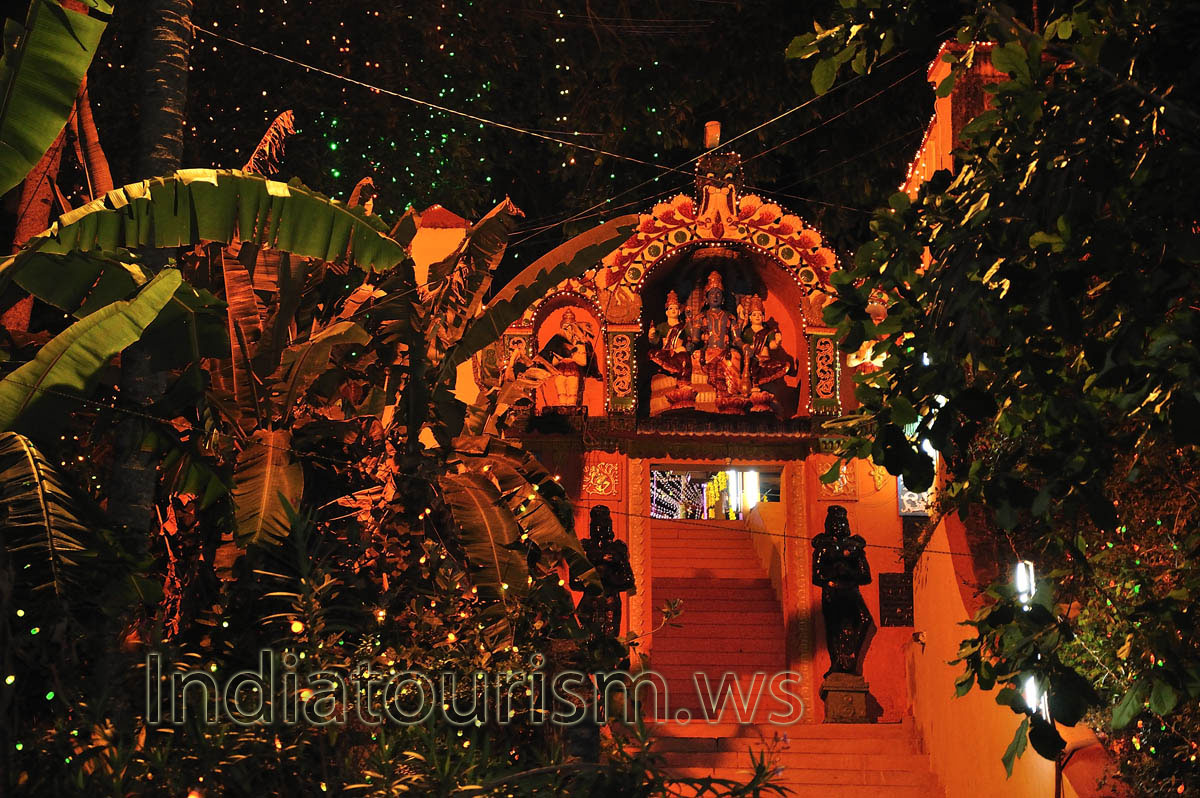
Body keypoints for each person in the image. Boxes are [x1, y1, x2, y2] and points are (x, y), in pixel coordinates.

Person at [811, 504, 875, 676]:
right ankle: (836, 664)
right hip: (831, 592)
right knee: (833, 629)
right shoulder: (823, 547)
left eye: (842, 522)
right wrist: (833, 572)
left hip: (851, 591)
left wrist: (849, 572)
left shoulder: (854, 547)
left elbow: (865, 576)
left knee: (865, 619)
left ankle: (850, 654)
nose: (838, 525)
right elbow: (816, 576)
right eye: (835, 522)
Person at [571, 505, 635, 638]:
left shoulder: (617, 548)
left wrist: (609, 575)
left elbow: (628, 580)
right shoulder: (585, 548)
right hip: (589, 605)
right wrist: (595, 571)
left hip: (610, 604)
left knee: (608, 646)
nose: (600, 529)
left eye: (605, 524)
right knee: (586, 644)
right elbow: (574, 582)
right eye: (596, 524)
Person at [647, 290, 692, 379]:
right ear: (666, 312)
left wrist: (690, 321)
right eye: (671, 308)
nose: (673, 310)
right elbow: (654, 341)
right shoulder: (662, 326)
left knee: (684, 358)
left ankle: (679, 375)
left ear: (679, 311)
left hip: (678, 352)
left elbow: (692, 336)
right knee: (652, 354)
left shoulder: (683, 326)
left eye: (676, 308)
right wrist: (651, 335)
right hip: (665, 352)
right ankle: (666, 369)